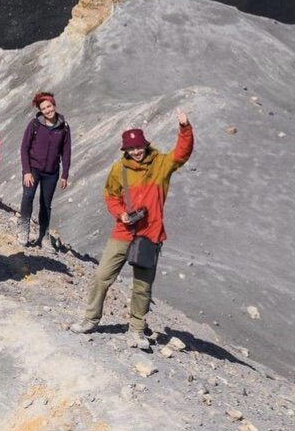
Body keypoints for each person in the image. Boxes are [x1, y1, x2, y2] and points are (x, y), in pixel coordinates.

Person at [70, 112, 193, 350]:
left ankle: (136, 330)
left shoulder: (161, 164)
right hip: (123, 232)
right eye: (132, 149)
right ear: (125, 150)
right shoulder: (119, 170)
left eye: (139, 147)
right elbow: (111, 195)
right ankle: (90, 320)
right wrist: (121, 214)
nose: (136, 152)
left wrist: (184, 128)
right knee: (101, 277)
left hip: (151, 234)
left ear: (145, 145)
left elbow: (182, 153)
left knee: (142, 286)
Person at [18, 92, 72, 248]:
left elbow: (66, 152)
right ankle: (23, 229)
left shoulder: (64, 127)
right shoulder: (34, 124)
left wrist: (65, 174)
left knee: (46, 204)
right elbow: (24, 148)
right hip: (33, 169)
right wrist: (27, 171)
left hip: (52, 172)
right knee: (28, 196)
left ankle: (44, 235)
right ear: (40, 111)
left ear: (54, 105)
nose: (48, 110)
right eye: (44, 108)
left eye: (49, 106)